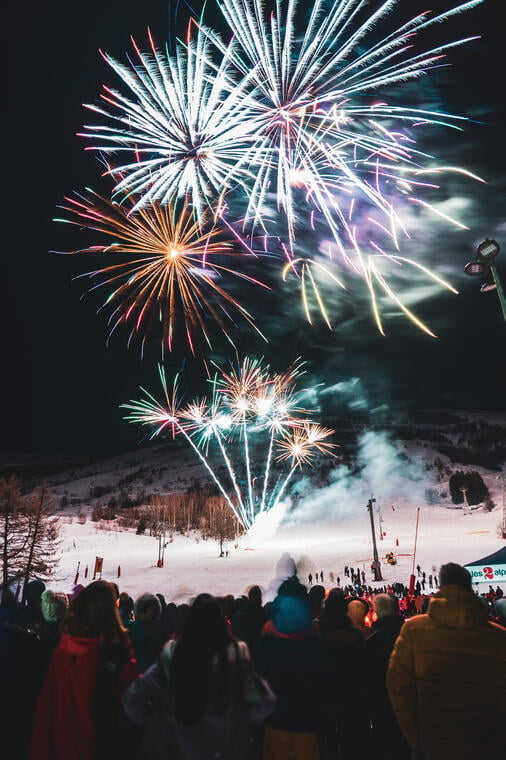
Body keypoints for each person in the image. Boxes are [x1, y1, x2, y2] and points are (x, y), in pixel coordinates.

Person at [123, 593, 275, 759]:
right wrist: (236, 723)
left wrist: (161, 723)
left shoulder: (173, 655)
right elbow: (264, 702)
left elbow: (133, 697)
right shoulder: (235, 656)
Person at [387, 562, 506, 760]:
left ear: (441, 587)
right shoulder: (499, 637)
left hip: (433, 744)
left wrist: (414, 738)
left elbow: (398, 688)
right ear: (469, 588)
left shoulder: (414, 631)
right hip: (489, 744)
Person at [30, 580, 139, 760]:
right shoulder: (115, 652)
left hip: (64, 745)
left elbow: (47, 703)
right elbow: (133, 700)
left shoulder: (65, 646)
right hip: (101, 746)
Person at [256, 577, 333, 760]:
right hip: (307, 718)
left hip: (276, 717)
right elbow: (327, 676)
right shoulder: (315, 637)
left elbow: (258, 674)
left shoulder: (268, 636)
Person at [365, 594, 410, 759]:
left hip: (381, 703)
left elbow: (368, 677)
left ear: (376, 612)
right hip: (409, 700)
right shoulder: (408, 634)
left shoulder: (372, 641)